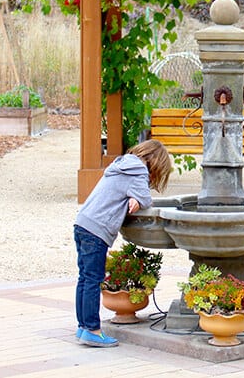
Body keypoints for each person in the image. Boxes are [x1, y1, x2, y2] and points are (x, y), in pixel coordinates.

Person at [73, 139, 173, 347]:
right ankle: (92, 329)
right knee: (93, 279)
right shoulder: (139, 171)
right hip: (97, 229)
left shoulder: (122, 164)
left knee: (85, 278)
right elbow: (146, 200)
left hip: (83, 223)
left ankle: (83, 327)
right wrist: (137, 198)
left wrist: (132, 196)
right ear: (156, 162)